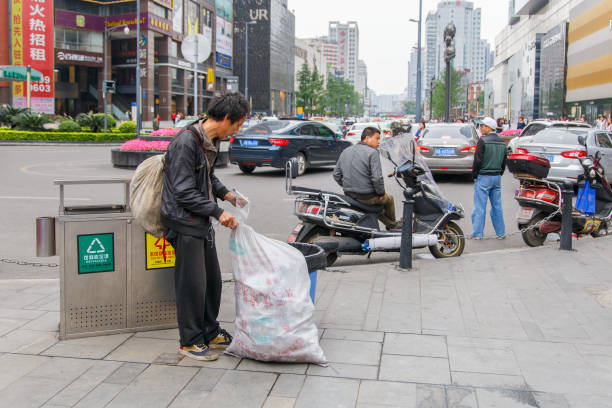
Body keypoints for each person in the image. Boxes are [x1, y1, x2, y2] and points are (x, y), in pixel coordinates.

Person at [161, 92, 248, 361]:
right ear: (224, 118)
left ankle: (209, 330)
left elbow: (207, 176)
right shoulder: (186, 142)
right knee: (192, 284)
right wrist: (218, 212)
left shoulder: (210, 139)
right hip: (183, 222)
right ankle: (189, 340)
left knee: (212, 281)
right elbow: (183, 192)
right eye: (237, 124)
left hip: (200, 220)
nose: (238, 129)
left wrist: (227, 195)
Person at [333, 126, 401, 231]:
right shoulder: (373, 152)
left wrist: (347, 185)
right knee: (389, 199)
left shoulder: (346, 151)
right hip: (367, 196)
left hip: (349, 195)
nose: (379, 142)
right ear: (367, 138)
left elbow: (336, 174)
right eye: (377, 138)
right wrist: (381, 193)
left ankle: (391, 224)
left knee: (375, 209)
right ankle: (392, 226)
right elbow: (377, 178)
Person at [471, 117, 507, 240]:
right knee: (497, 206)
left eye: (483, 126)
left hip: (484, 177)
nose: (481, 128)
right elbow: (503, 162)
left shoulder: (483, 141)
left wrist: (474, 175)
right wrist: (499, 173)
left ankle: (478, 233)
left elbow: (477, 161)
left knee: (480, 207)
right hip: (496, 177)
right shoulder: (502, 142)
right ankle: (501, 232)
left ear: (489, 127)